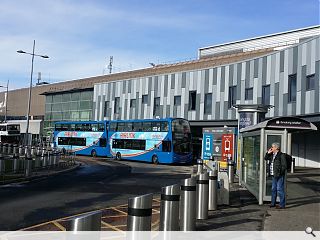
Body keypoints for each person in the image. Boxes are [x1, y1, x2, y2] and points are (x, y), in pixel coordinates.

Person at [264, 142, 287, 209]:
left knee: (279, 189)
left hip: (279, 175)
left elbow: (284, 166)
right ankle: (273, 203)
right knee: (273, 189)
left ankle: (282, 205)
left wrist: (280, 173)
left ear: (277, 148)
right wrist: (268, 153)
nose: (271, 148)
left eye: (273, 147)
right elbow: (265, 158)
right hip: (273, 175)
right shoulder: (272, 155)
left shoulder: (281, 155)